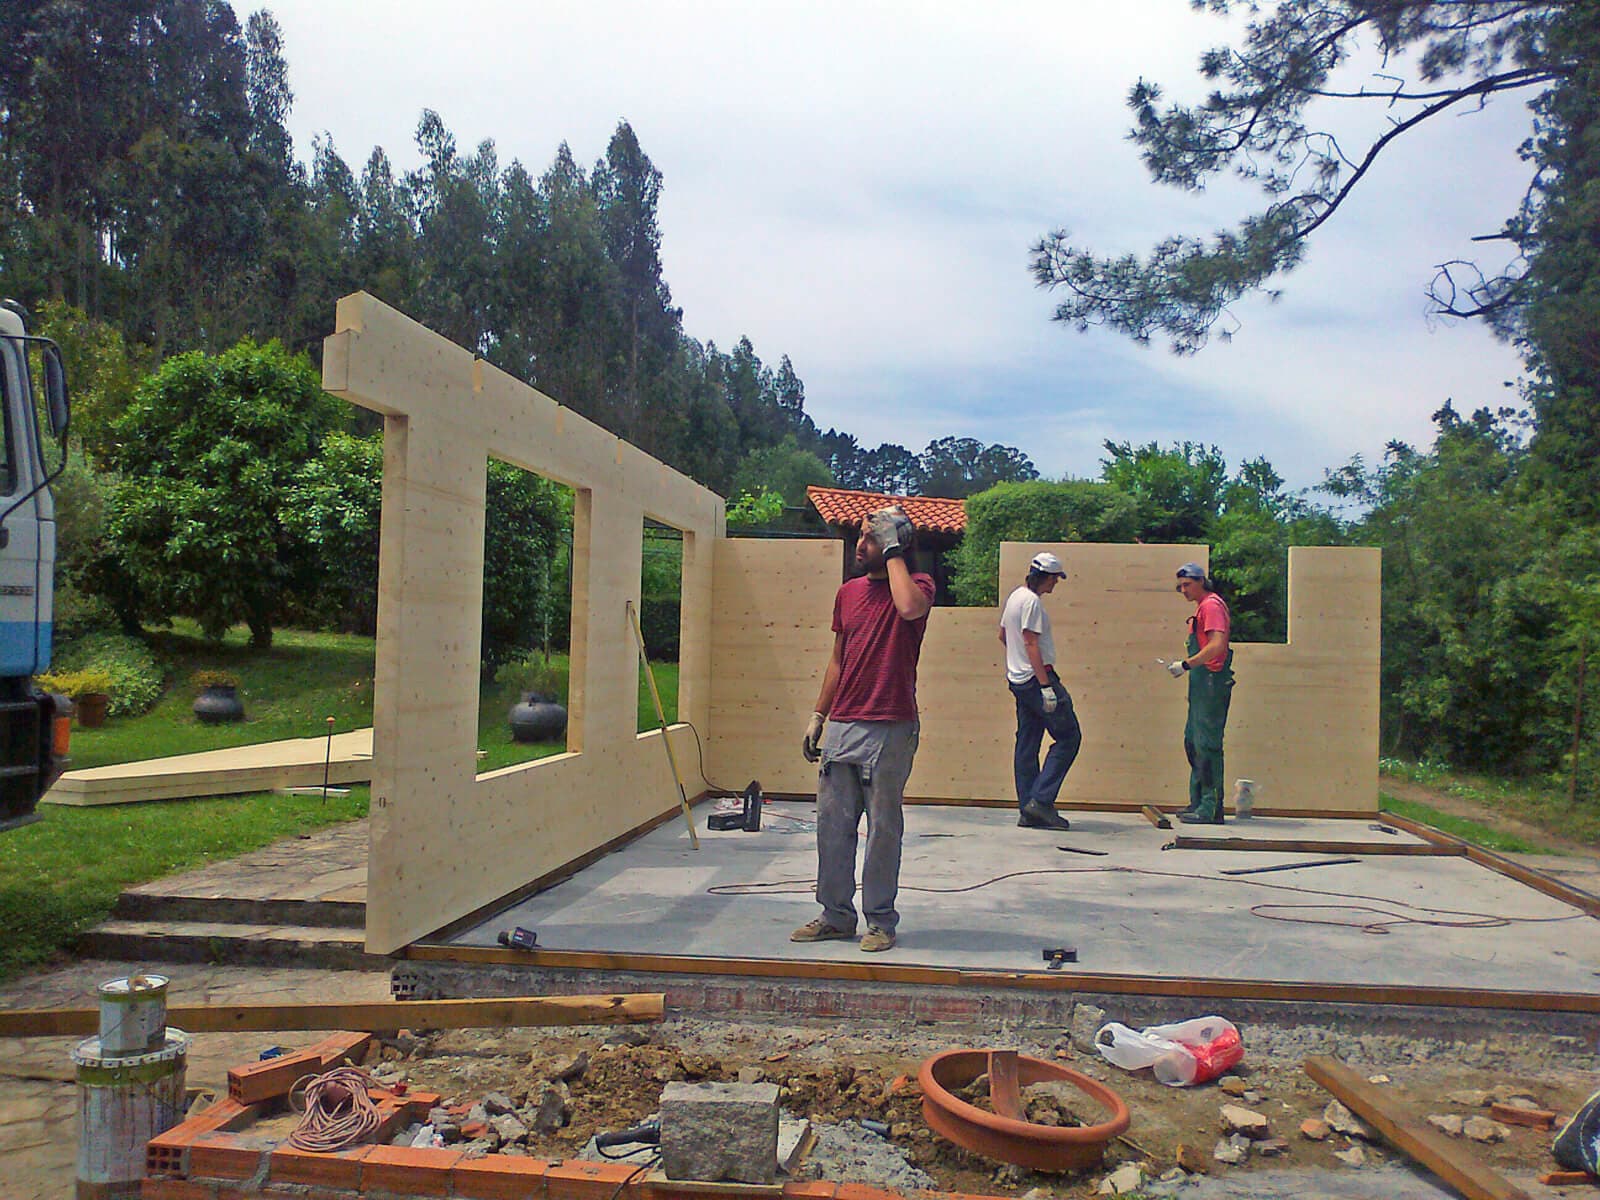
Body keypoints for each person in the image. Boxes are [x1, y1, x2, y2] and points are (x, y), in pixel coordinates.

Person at [793, 505, 934, 953]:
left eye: (870, 538)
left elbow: (908, 608)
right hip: (845, 724)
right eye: (861, 536)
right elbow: (839, 658)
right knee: (832, 826)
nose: (860, 544)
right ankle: (836, 915)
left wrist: (892, 546)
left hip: (890, 725)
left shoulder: (919, 586)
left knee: (882, 828)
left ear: (895, 544)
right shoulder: (848, 593)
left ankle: (880, 921)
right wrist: (819, 714)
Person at [998, 552, 1081, 830]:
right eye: (1054, 579)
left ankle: (1028, 809)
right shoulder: (1032, 602)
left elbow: (1003, 636)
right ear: (1045, 577)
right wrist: (1045, 686)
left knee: (1028, 742)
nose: (1055, 585)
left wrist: (1017, 663)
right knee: (1069, 737)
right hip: (1036, 680)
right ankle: (1041, 802)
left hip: (1019, 680)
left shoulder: (1015, 597)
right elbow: (1031, 642)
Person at [1166, 562, 1235, 824]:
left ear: (1201, 582)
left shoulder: (1211, 606)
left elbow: (1218, 645)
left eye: (1187, 585)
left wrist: (1186, 664)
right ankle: (1197, 801)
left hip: (1211, 681)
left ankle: (1210, 807)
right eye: (1180, 586)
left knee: (1207, 744)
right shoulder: (1202, 608)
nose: (1183, 590)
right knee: (1192, 741)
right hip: (1201, 682)